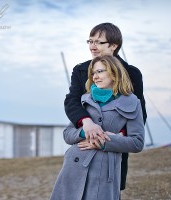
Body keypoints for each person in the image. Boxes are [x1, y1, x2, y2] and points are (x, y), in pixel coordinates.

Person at [64, 22, 147, 191]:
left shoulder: (132, 73)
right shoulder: (80, 70)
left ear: (114, 46)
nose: (92, 47)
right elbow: (72, 101)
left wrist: (114, 138)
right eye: (90, 41)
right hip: (81, 151)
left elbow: (139, 112)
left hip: (113, 152)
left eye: (98, 42)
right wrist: (86, 123)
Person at [50, 55, 145, 200]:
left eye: (100, 71)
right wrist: (85, 131)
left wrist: (103, 141)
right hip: (74, 166)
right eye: (93, 73)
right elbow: (67, 134)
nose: (95, 77)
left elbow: (137, 142)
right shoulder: (85, 99)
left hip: (104, 170)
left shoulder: (132, 102)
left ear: (113, 73)